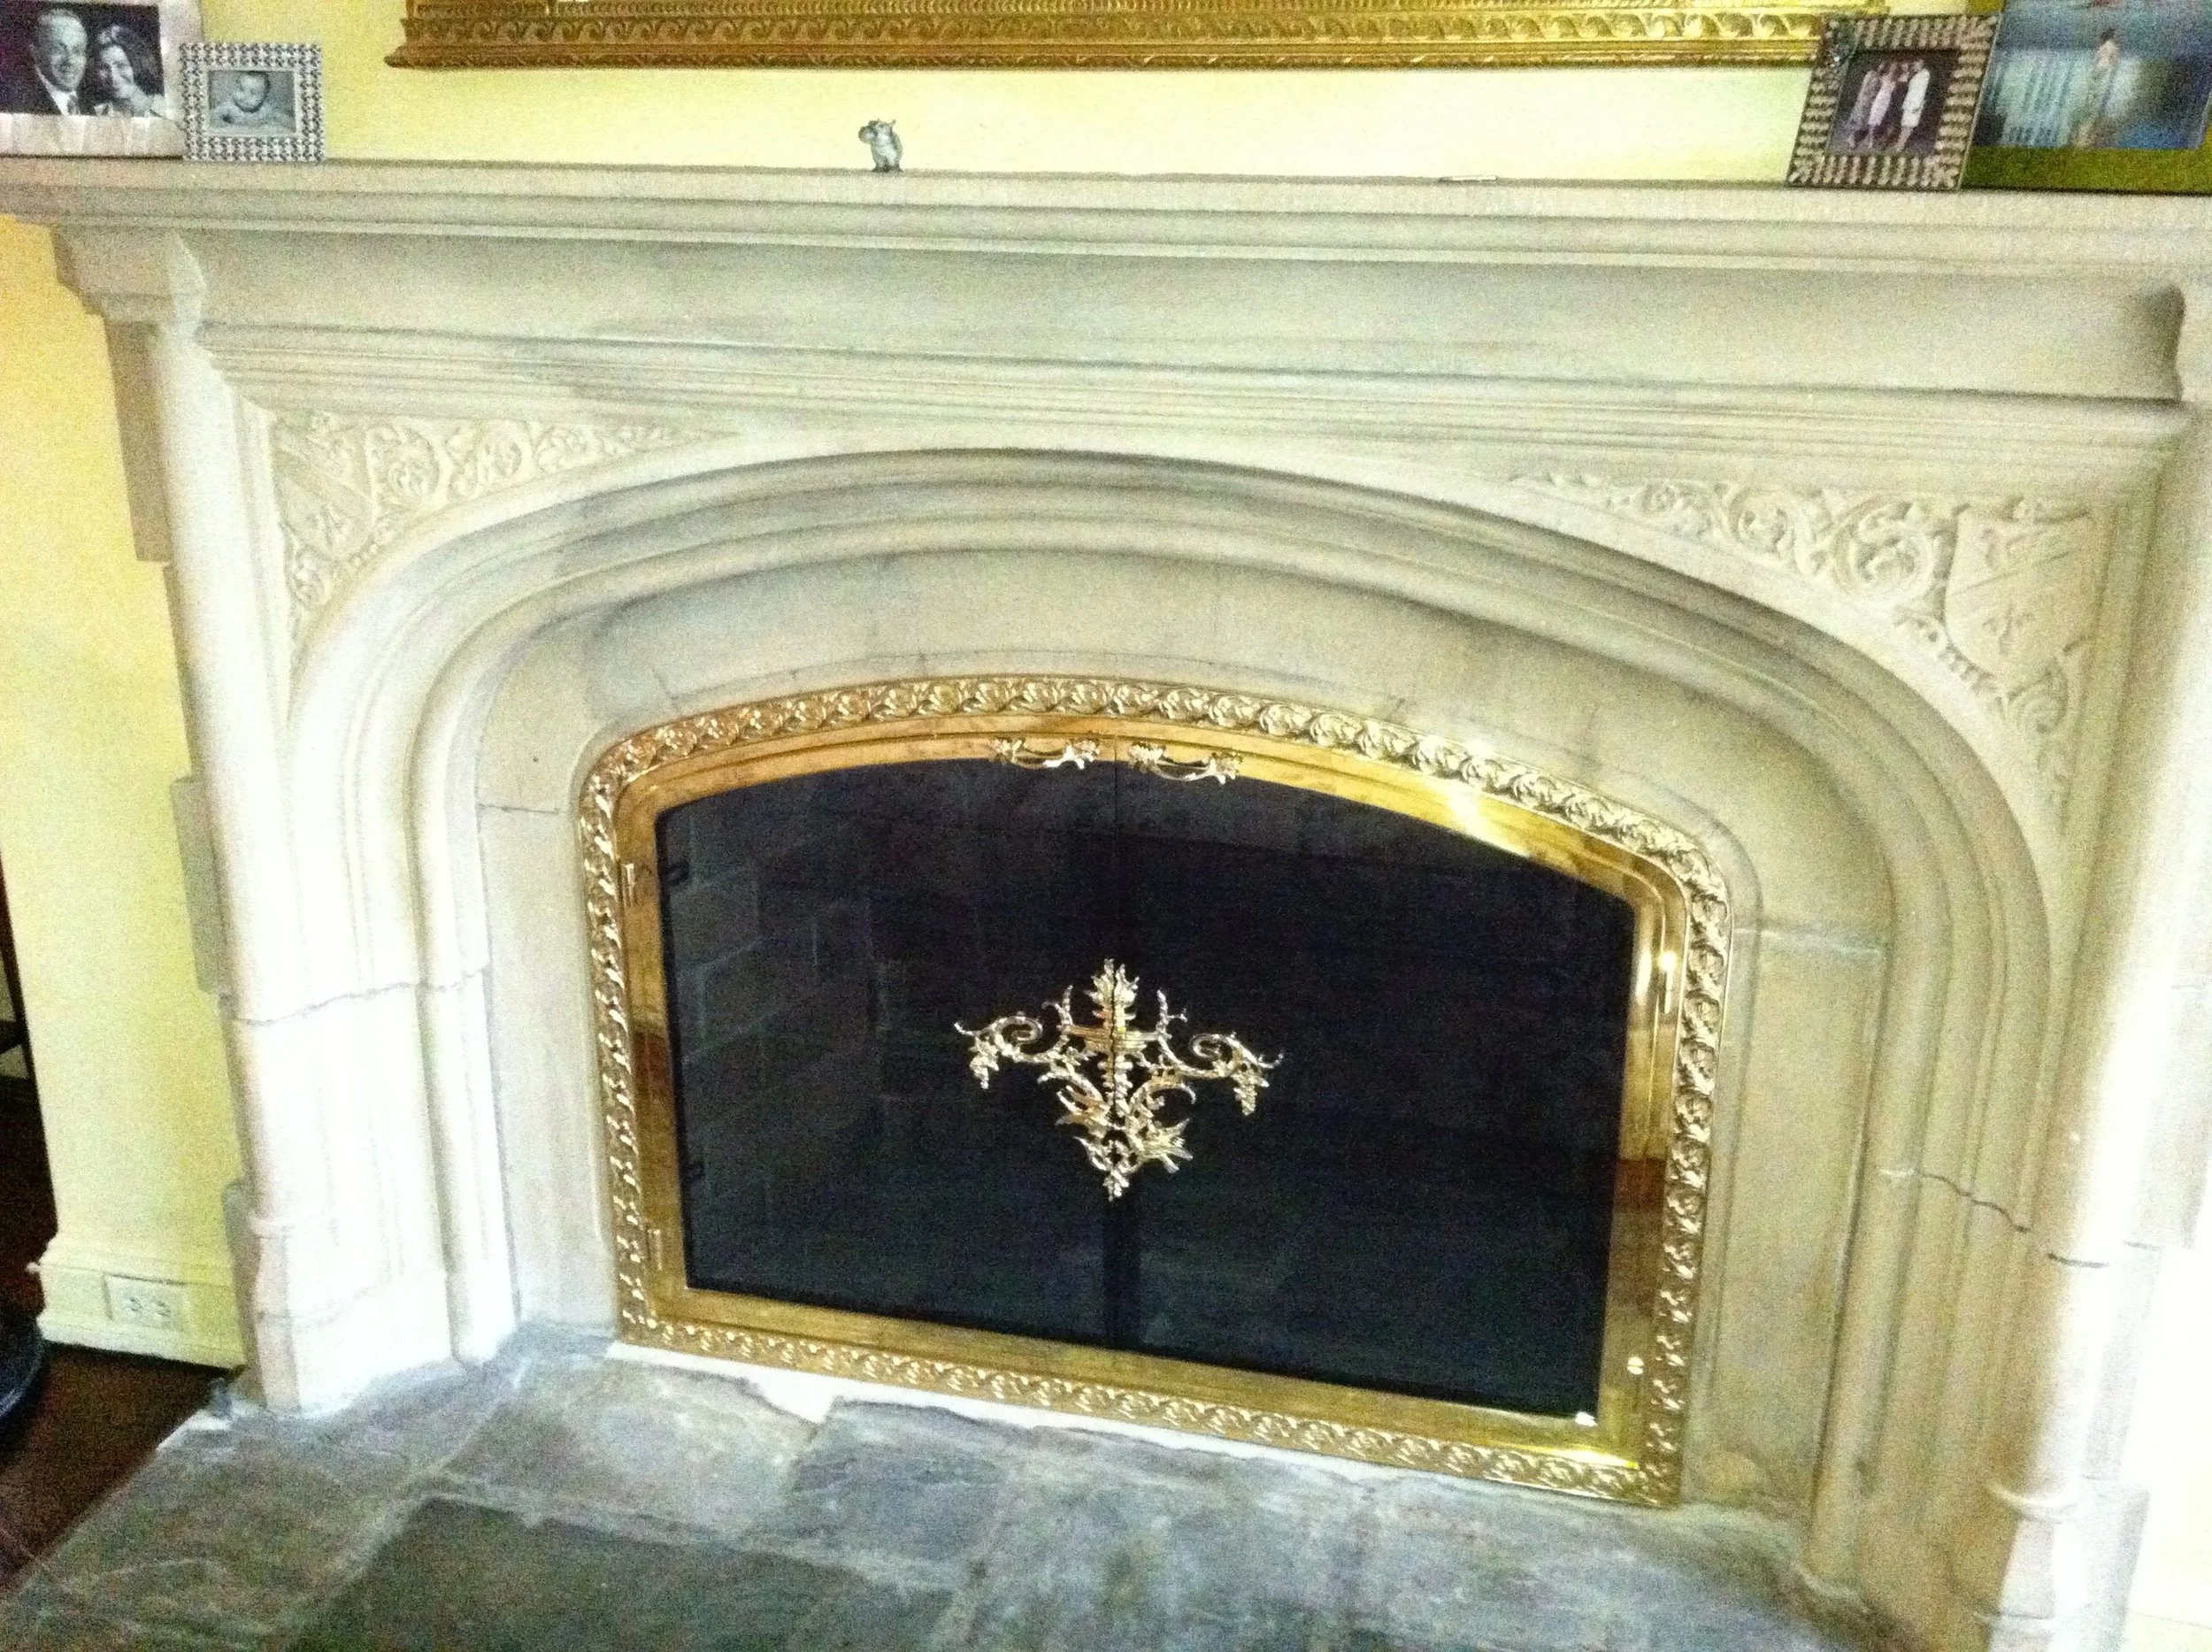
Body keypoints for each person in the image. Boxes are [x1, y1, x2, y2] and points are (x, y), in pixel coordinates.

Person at [0, 6, 91, 116]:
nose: (69, 60)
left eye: (77, 50)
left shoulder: (92, 104)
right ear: (35, 54)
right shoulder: (13, 105)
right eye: (58, 50)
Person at [88, 21, 160, 118]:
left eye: (122, 65)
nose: (113, 77)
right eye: (103, 68)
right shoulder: (95, 114)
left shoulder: (166, 109)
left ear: (138, 65)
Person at [209, 67, 289, 130]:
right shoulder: (230, 106)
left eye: (253, 93)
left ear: (264, 96)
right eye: (241, 89)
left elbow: (282, 118)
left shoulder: (265, 108)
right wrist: (221, 124)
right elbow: (212, 115)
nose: (245, 96)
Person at [1893, 58, 1934, 151]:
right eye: (1914, 65)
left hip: (1916, 103)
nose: (1915, 66)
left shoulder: (1925, 74)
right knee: (1904, 124)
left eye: (1916, 65)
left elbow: (1923, 91)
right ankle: (1899, 143)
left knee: (1909, 125)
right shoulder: (1915, 75)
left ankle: (1900, 146)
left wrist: (1918, 105)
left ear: (1921, 64)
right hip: (1909, 102)